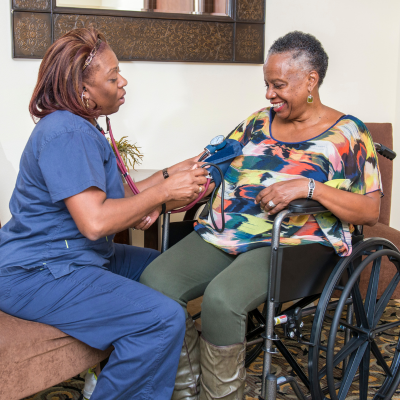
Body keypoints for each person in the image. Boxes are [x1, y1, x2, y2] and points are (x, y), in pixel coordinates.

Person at [139, 31, 382, 400]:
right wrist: (168, 196)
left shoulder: (348, 134)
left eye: (278, 84)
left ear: (311, 80)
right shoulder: (256, 122)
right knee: (156, 281)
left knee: (222, 299)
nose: (269, 94)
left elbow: (370, 210)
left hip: (293, 244)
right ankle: (187, 389)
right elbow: (212, 168)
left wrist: (308, 188)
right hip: (225, 232)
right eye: (267, 84)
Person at [0, 28, 209, 400]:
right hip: (38, 272)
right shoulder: (66, 132)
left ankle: (124, 373)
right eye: (112, 77)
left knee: (166, 272)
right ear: (82, 90)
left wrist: (169, 175)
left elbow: (110, 199)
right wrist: (162, 193)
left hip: (73, 257)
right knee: (161, 320)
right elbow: (95, 221)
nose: (123, 81)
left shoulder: (79, 126)